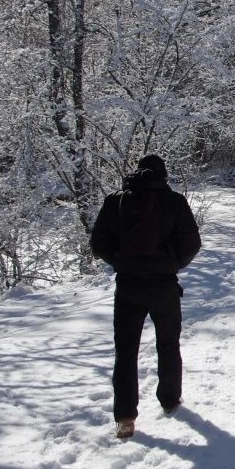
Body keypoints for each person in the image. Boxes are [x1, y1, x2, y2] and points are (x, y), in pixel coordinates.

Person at [90, 154, 202, 439]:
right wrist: (172, 264)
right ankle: (169, 399)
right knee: (168, 343)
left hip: (128, 286)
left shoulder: (115, 201)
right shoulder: (175, 202)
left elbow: (99, 241)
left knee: (126, 351)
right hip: (164, 285)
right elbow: (191, 242)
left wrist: (120, 261)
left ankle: (125, 417)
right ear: (163, 175)